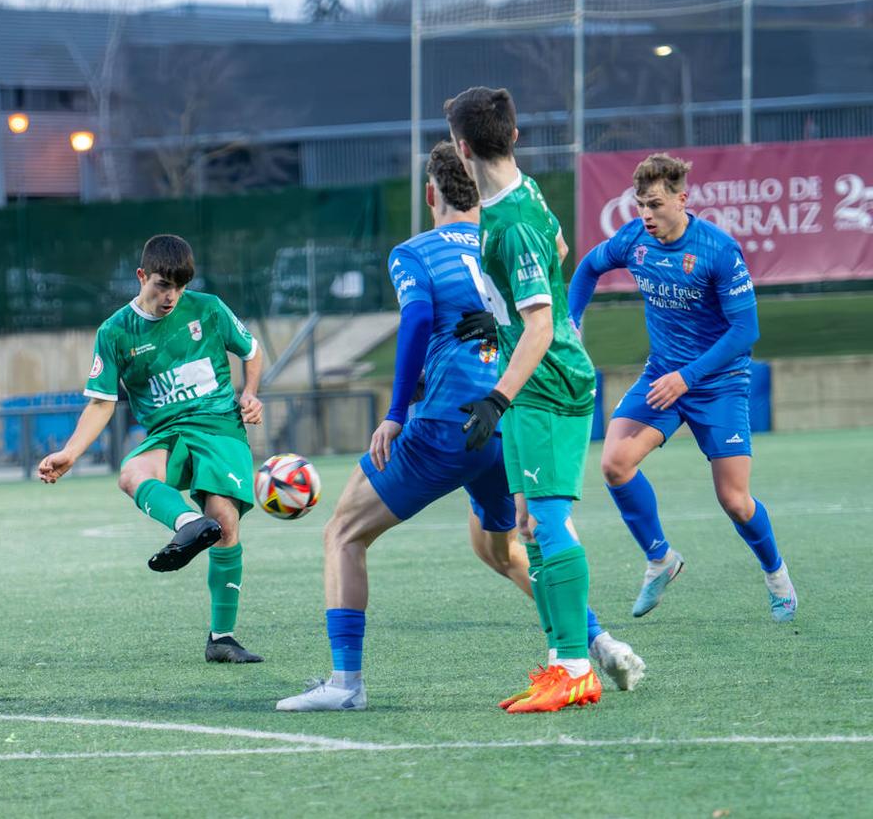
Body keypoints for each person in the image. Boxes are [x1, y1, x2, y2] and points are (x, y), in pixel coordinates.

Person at [276, 142, 642, 713]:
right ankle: (597, 643)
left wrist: (396, 413)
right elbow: (554, 267)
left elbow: (418, 319)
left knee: (342, 534)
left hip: (450, 423)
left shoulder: (415, 253)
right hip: (514, 411)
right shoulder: (502, 233)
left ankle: (346, 684)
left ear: (430, 195)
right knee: (504, 551)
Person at [567, 153, 796, 622]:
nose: (645, 215)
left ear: (681, 199)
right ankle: (660, 559)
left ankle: (776, 575)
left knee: (734, 500)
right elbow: (588, 267)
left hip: (720, 383)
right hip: (662, 375)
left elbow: (744, 331)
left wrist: (688, 377)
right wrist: (571, 322)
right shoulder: (634, 240)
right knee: (614, 464)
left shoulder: (718, 250)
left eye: (654, 204)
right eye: (639, 205)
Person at [444, 86, 602, 714]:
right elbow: (559, 255)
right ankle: (567, 661)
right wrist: (502, 318)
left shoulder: (507, 222)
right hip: (548, 370)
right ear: (512, 137)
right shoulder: (526, 191)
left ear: (461, 149)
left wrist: (496, 401)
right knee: (532, 523)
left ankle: (573, 667)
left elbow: (540, 326)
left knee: (547, 521)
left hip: (544, 382)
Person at [38, 234, 265, 664]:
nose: (171, 297)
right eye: (162, 285)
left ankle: (222, 638)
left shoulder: (209, 309)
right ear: (142, 276)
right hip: (167, 431)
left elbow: (252, 351)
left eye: (179, 287)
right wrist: (70, 452)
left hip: (219, 426)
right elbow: (102, 403)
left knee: (225, 520)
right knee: (130, 474)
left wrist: (251, 392)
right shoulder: (115, 332)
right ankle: (186, 523)